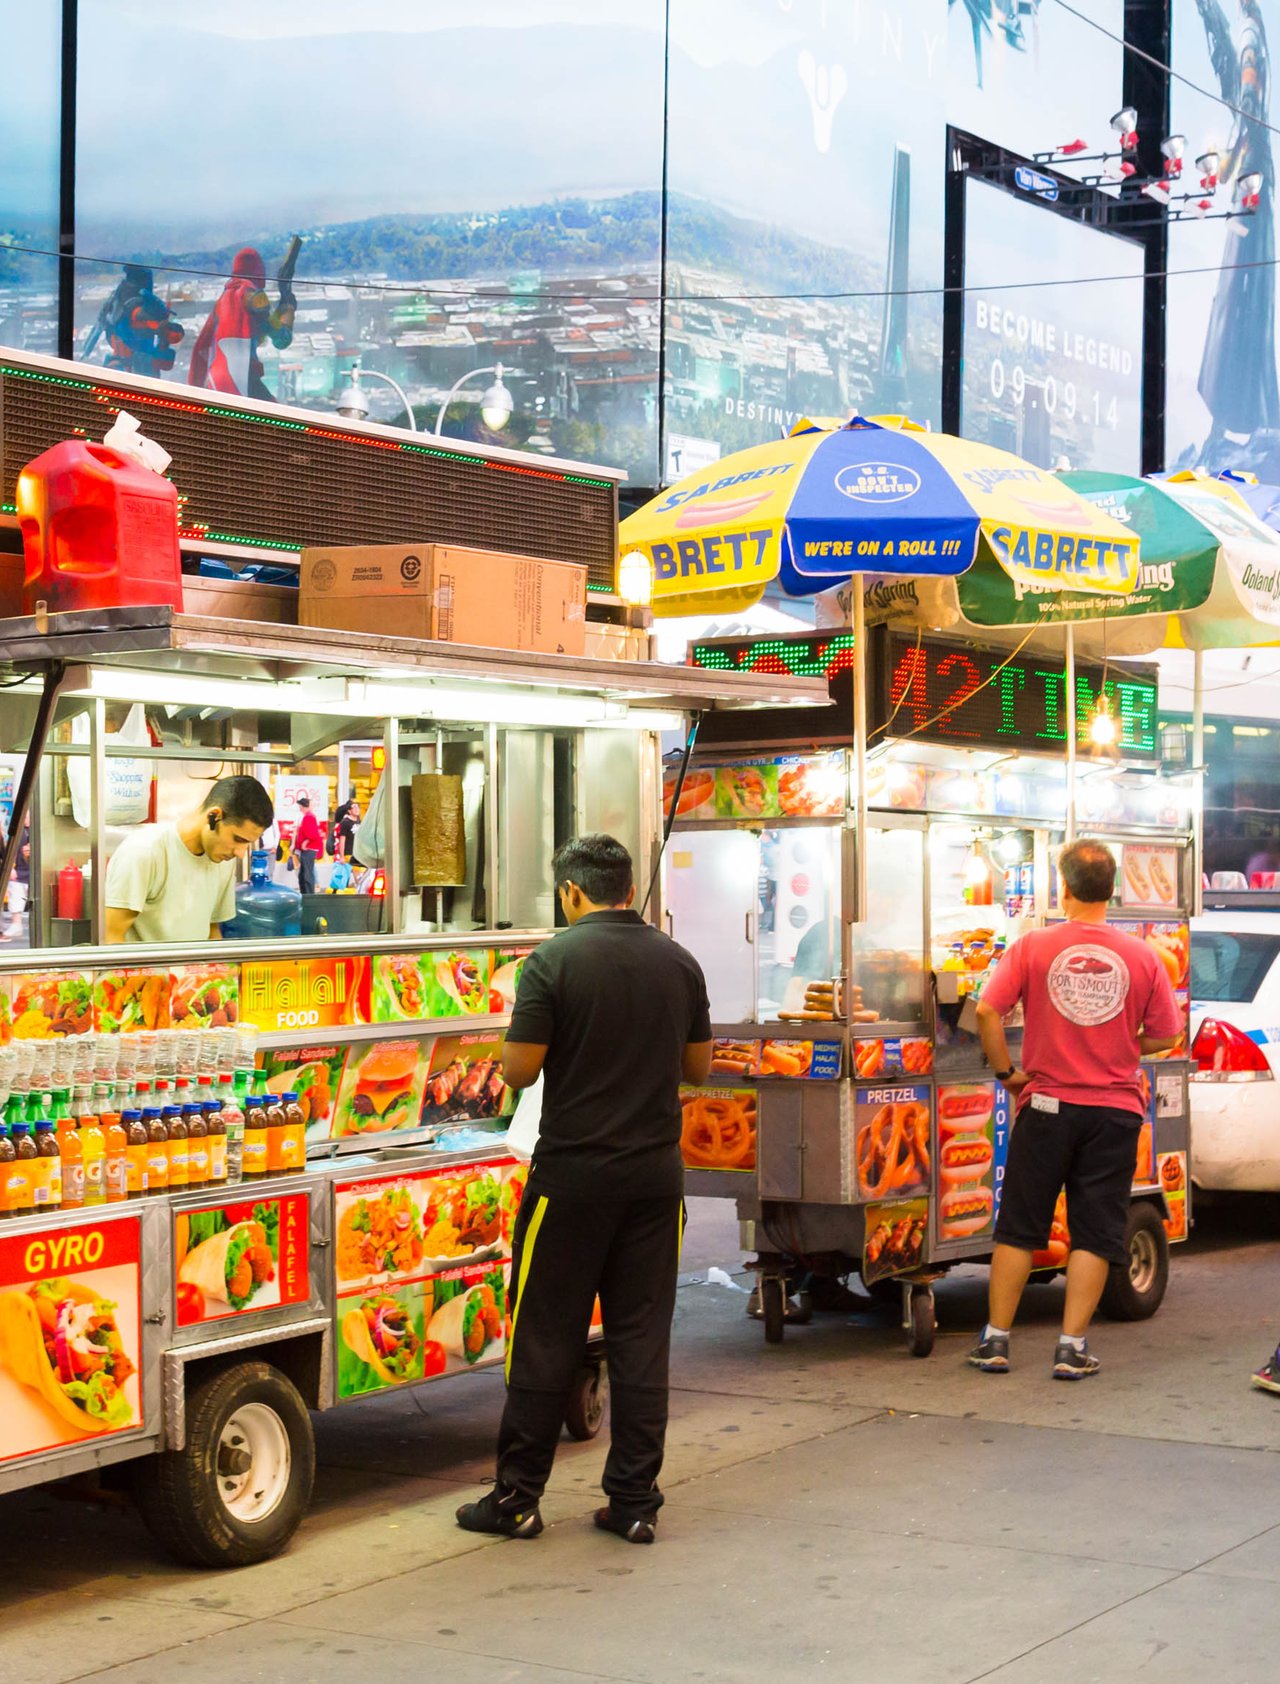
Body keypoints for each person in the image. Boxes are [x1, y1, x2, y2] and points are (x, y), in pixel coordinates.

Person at [455, 834, 712, 1544]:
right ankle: (633, 1502)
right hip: (656, 1186)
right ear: (627, 889)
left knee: (545, 1337)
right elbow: (698, 1068)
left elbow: (516, 1072)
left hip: (570, 1182)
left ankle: (517, 1500)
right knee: (641, 1341)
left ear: (571, 892)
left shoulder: (553, 961)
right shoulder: (679, 961)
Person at [969, 839, 1181, 1380]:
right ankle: (1071, 1348)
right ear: (1111, 889)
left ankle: (995, 1342)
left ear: (1063, 888)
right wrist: (1119, 1045)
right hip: (1114, 1111)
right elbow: (1165, 1036)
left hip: (1044, 1103)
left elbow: (988, 1012)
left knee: (1020, 1226)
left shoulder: (1033, 946)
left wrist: (1006, 1075)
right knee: (1094, 1231)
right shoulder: (1143, 957)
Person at [104, 775, 274, 943]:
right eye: (238, 839)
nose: (240, 853)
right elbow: (111, 936)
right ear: (214, 816)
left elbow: (212, 930)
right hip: (146, 970)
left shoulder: (223, 861)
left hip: (194, 970)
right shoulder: (145, 851)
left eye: (248, 844)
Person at [291, 796, 325, 896]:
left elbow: (312, 833)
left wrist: (305, 842)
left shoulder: (309, 817)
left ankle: (308, 893)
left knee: (307, 872)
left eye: (301, 806)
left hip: (309, 848)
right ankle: (305, 892)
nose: (300, 808)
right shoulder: (309, 816)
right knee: (304, 872)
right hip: (308, 848)